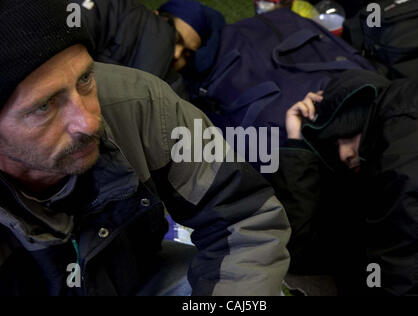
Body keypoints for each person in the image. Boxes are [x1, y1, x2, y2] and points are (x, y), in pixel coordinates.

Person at [0, 0, 290, 296]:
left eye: (85, 78)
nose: (88, 122)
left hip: (136, 281)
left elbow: (244, 217)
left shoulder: (144, 107)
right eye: (44, 106)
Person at [272, 69, 418, 295]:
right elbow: (302, 248)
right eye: (335, 146)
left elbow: (399, 265)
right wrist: (297, 142)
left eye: (346, 136)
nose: (344, 154)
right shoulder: (368, 176)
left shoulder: (404, 145)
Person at [77, 0, 225, 98]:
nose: (177, 54)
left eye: (186, 54)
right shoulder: (120, 18)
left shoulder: (174, 89)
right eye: (176, 39)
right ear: (156, 16)